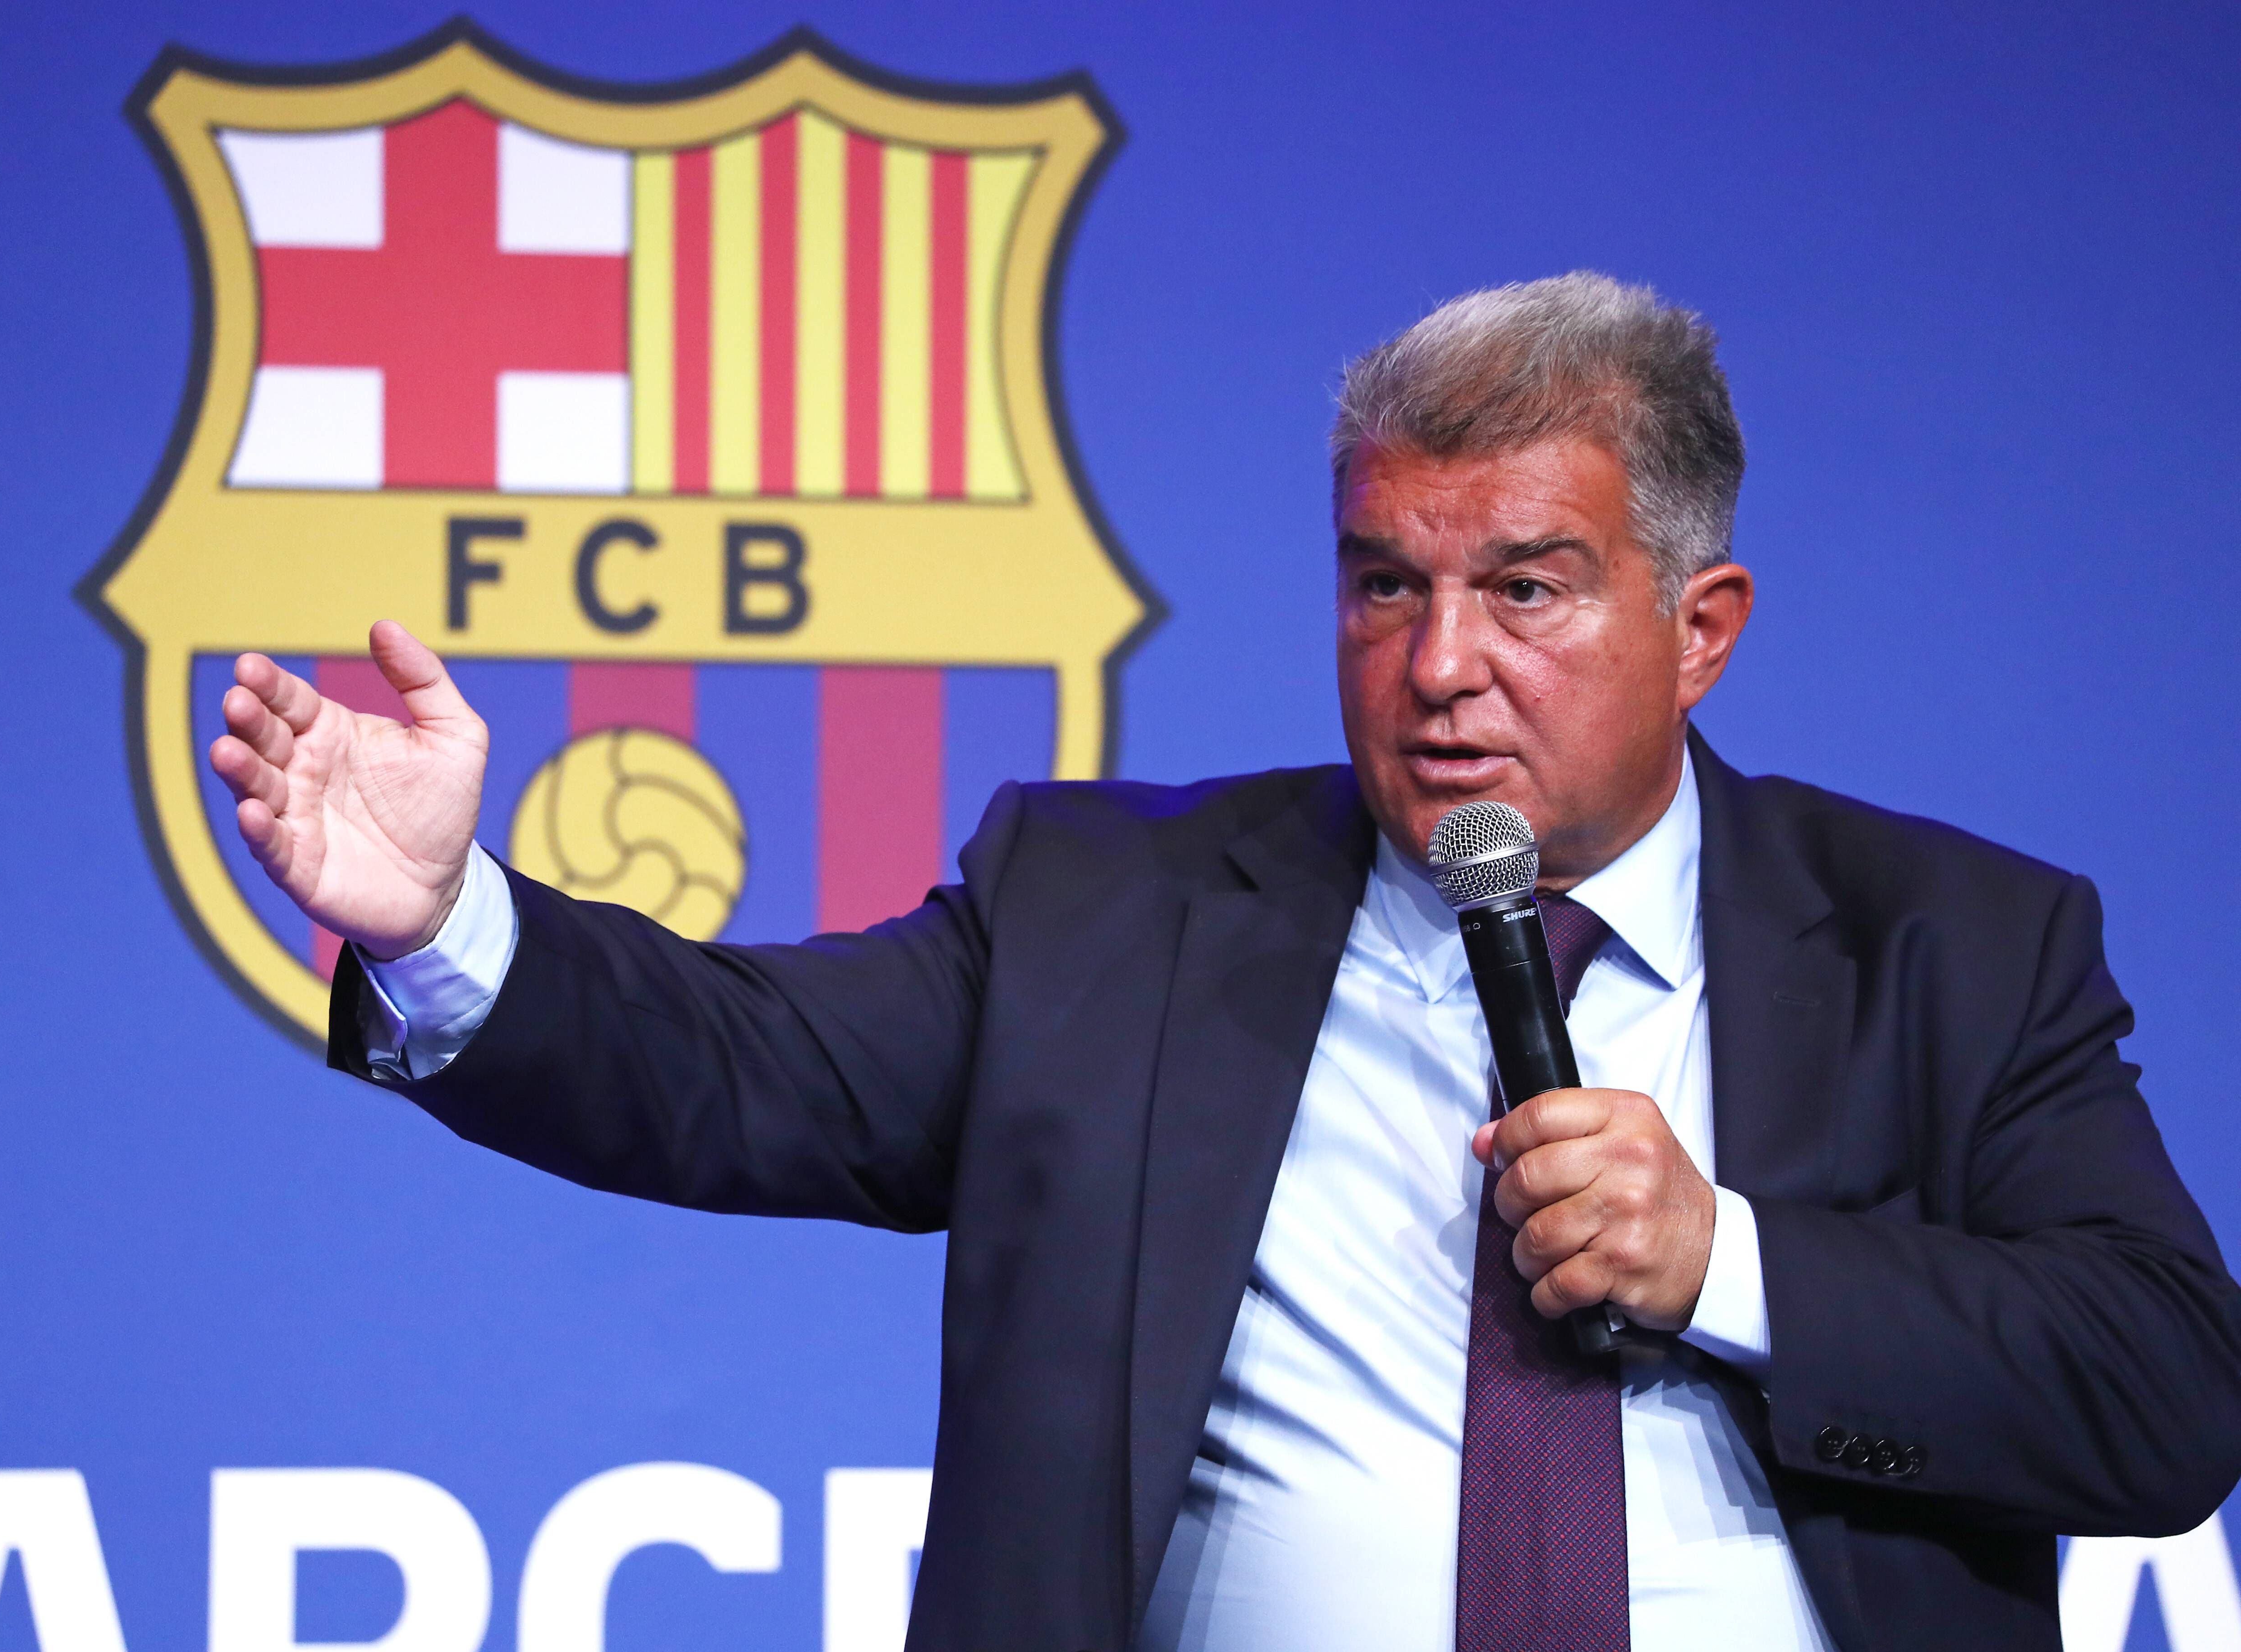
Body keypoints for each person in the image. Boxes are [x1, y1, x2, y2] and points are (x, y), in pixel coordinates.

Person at [208, 273, 2241, 1652]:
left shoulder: (1954, 946)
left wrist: (1732, 1265)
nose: (1439, 670)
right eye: (1386, 586)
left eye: (1525, 588)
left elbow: (2164, 1399)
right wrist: (446, 919)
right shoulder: (1116, 912)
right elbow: (738, 1068)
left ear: (1700, 624)